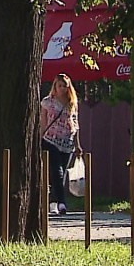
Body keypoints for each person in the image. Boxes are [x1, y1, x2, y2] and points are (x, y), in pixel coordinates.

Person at [40, 73, 83, 215]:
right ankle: (61, 202)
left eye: (65, 86)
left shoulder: (72, 103)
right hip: (50, 140)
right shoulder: (48, 102)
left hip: (67, 143)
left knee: (62, 173)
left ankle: (53, 202)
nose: (63, 89)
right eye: (60, 86)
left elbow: (75, 125)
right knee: (56, 171)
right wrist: (39, 139)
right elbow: (43, 123)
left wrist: (77, 144)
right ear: (55, 86)